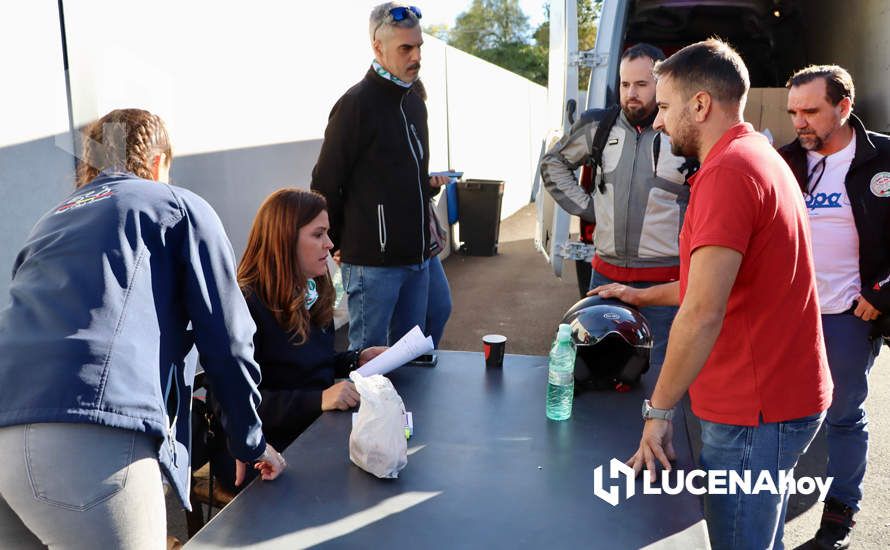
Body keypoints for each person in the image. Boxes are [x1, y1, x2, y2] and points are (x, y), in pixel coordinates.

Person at [0, 109, 285, 549]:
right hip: (91, 436)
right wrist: (250, 442)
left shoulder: (49, 222)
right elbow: (229, 339)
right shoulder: (175, 205)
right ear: (157, 165)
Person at [595, 40, 833, 549]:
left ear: (699, 104)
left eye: (663, 106)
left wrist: (658, 414)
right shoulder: (756, 155)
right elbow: (714, 283)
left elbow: (703, 311)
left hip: (755, 413)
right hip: (776, 401)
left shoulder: (727, 173)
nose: (657, 122)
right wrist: (642, 297)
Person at [779, 65, 889, 550]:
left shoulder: (884, 157)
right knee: (778, 422)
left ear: (843, 107)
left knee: (843, 417)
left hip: (848, 317)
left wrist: (883, 293)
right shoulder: (782, 162)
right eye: (793, 112)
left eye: (810, 111)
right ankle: (766, 511)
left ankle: (839, 518)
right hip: (788, 319)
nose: (799, 122)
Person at [211, 188, 386, 491]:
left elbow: (306, 364)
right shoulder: (245, 304)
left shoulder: (311, 290)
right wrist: (318, 399)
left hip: (311, 429)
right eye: (318, 234)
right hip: (264, 451)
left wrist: (355, 359)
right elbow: (232, 403)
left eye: (327, 234)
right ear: (285, 239)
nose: (330, 244)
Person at [540, 43, 697, 374]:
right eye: (625, 84)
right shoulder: (599, 126)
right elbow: (553, 164)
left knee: (655, 373)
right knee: (601, 367)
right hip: (606, 276)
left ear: (661, 83)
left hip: (663, 284)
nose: (631, 94)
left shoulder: (684, 132)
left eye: (641, 84)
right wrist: (590, 208)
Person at [311, 2, 451, 350]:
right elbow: (325, 183)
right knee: (369, 361)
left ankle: (408, 407)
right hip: (373, 263)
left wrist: (426, 186)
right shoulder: (355, 105)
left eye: (419, 46)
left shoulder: (415, 102)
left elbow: (406, 176)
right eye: (406, 48)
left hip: (417, 255)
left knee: (411, 352)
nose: (416, 56)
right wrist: (341, 244)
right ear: (378, 47)